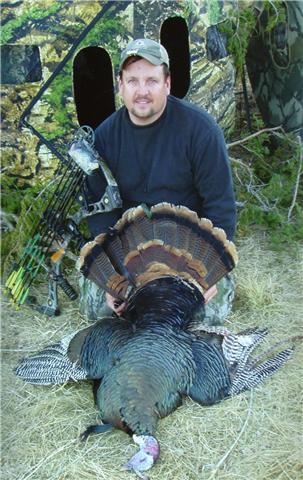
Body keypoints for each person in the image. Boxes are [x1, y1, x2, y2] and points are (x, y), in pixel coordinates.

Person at [80, 38, 236, 325]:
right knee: (100, 312)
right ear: (120, 86)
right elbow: (102, 219)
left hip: (189, 255)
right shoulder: (103, 138)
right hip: (129, 256)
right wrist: (112, 281)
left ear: (167, 83)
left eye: (151, 80)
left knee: (202, 317)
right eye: (133, 81)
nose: (142, 91)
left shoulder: (200, 130)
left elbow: (221, 206)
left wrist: (211, 271)